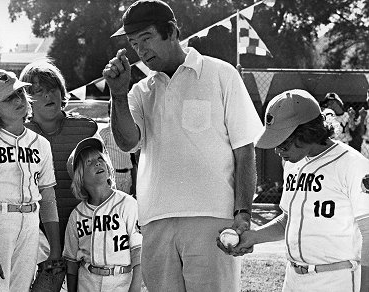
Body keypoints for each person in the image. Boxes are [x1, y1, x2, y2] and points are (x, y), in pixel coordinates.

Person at [103, 0, 262, 291]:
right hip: (154, 220)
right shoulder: (139, 91)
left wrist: (243, 213)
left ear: (173, 31)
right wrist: (117, 93)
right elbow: (127, 143)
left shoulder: (221, 74)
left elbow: (244, 150)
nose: (141, 50)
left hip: (213, 218)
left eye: (147, 38)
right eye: (134, 43)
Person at [220, 89, 369, 291]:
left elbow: (368, 232)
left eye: (283, 142)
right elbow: (290, 219)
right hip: (293, 279)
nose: (277, 150)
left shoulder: (352, 165)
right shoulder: (292, 163)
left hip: (336, 279)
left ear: (307, 132)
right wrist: (254, 237)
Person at [0, 69, 61, 291]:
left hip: (30, 224)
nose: (18, 100)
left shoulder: (40, 144)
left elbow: (48, 198)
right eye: (8, 98)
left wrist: (54, 250)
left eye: (19, 93)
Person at [20, 59, 99, 251]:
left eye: (53, 88)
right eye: (39, 91)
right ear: (26, 98)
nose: (48, 95)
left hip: (83, 229)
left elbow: (103, 180)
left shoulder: (85, 129)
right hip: (36, 234)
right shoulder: (18, 134)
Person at [63, 137, 142, 292]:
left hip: (121, 282)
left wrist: (135, 288)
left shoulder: (127, 204)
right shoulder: (77, 215)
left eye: (100, 158)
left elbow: (139, 251)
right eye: (89, 162)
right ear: (80, 178)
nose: (97, 163)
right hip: (88, 283)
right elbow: (71, 261)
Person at [99, 102, 137, 196]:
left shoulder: (129, 135)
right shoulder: (105, 133)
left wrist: (135, 183)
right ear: (110, 113)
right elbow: (99, 156)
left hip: (127, 177)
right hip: (113, 176)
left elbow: (133, 161)